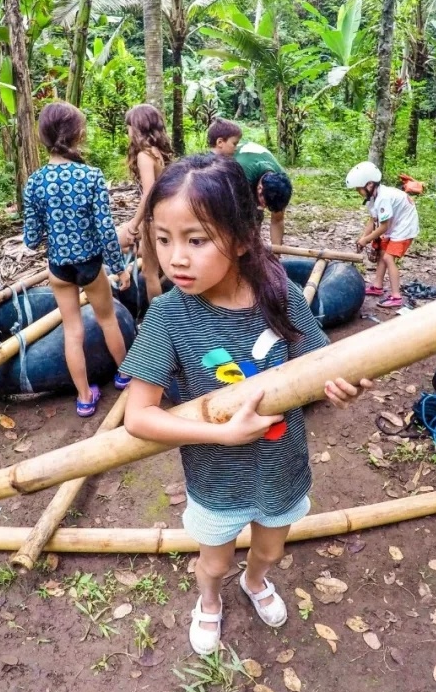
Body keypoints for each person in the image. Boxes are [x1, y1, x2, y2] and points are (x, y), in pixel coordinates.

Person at [119, 154, 371, 655]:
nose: (176, 259)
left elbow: (322, 366)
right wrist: (223, 434)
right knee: (213, 560)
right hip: (216, 476)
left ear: (239, 237)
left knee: (270, 550)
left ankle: (255, 584)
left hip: (281, 467)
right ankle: (209, 599)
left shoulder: (279, 293)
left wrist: (344, 386)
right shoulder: (168, 315)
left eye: (195, 239)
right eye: (163, 239)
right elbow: (138, 416)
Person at [23, 102, 132, 417]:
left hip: (58, 267)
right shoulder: (91, 176)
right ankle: (124, 374)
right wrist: (119, 268)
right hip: (89, 264)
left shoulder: (35, 182)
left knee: (72, 330)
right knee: (107, 319)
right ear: (77, 133)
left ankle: (84, 398)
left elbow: (31, 241)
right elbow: (106, 232)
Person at [118, 104, 176, 302]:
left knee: (149, 273)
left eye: (129, 126)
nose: (127, 131)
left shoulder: (144, 155)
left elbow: (149, 193)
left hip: (154, 217)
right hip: (164, 215)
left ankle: (155, 321)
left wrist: (134, 225)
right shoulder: (158, 152)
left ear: (136, 127)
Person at [208, 119, 293, 246]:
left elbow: (277, 220)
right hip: (236, 173)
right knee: (247, 218)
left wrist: (276, 254)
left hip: (254, 169)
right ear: (259, 188)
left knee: (257, 215)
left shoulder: (281, 184)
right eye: (263, 202)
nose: (264, 207)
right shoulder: (240, 173)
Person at [346, 161, 419, 309]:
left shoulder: (383, 198)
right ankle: (377, 286)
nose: (357, 192)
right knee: (382, 252)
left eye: (359, 189)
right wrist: (363, 237)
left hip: (405, 226)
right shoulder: (372, 199)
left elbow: (384, 226)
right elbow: (373, 220)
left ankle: (396, 296)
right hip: (395, 224)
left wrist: (367, 239)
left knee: (388, 257)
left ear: (370, 185)